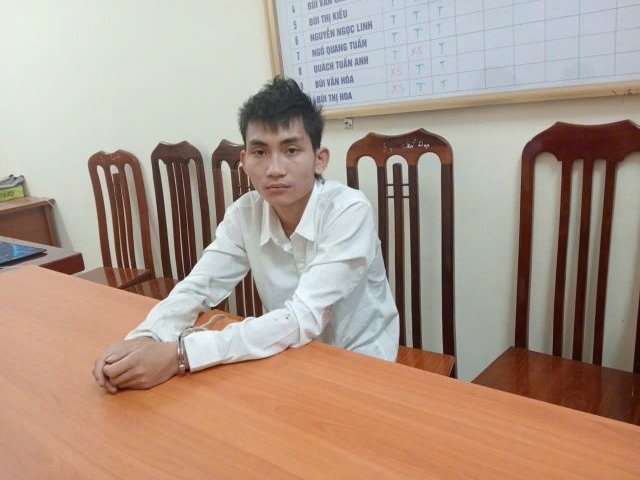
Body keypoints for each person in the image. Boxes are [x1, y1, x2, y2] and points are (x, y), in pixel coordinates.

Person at [93, 77, 399, 393]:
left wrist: (181, 355)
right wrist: (146, 337)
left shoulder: (349, 211)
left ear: (319, 159)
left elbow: (302, 317)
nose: (275, 168)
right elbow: (199, 286)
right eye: (260, 152)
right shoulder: (245, 213)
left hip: (362, 363)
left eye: (291, 150)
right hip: (285, 355)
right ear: (244, 161)